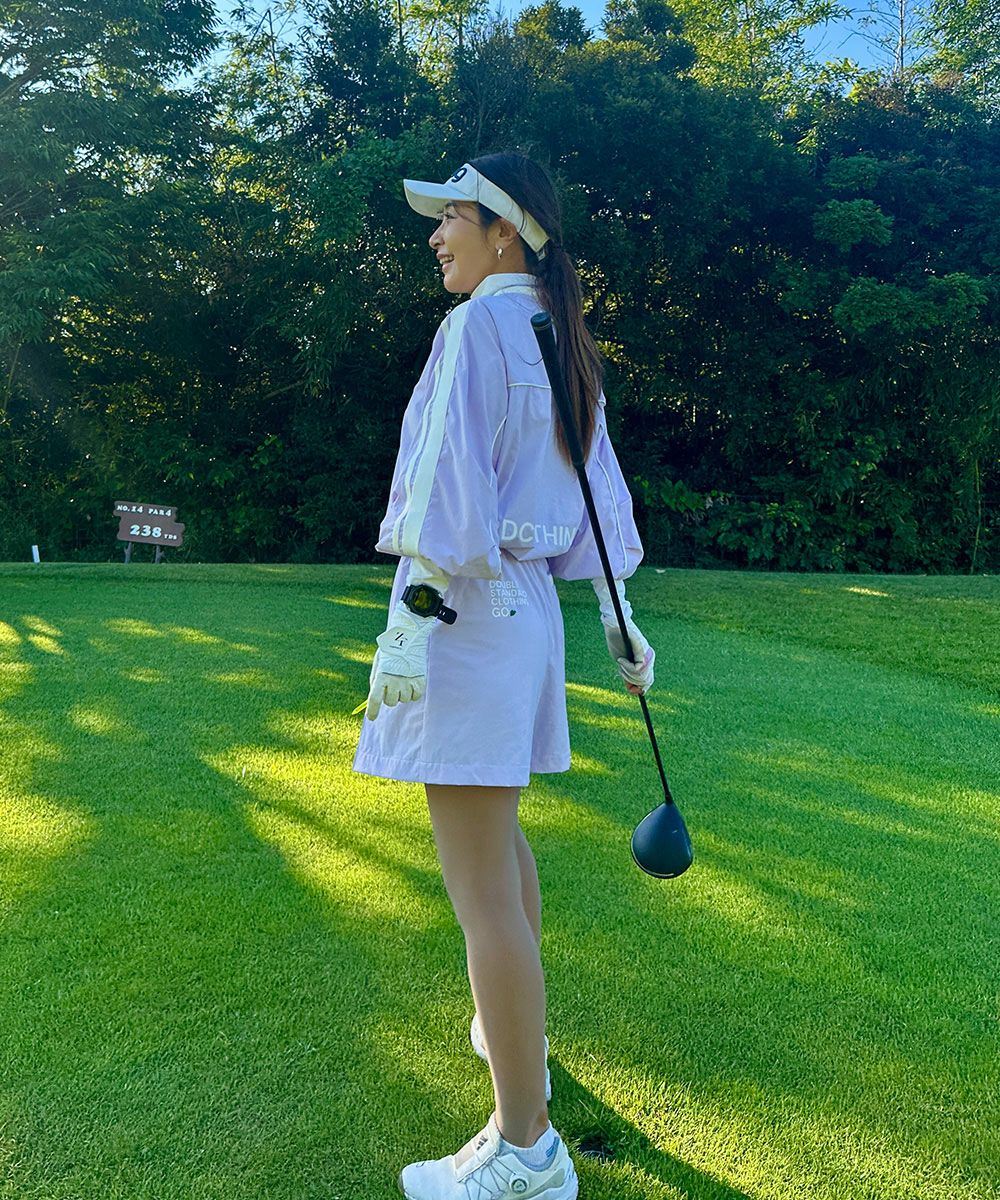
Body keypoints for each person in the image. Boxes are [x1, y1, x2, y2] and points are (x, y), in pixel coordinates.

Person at [352, 152, 656, 1200]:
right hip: (524, 620)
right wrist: (619, 619)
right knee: (501, 845)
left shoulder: (478, 326)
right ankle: (508, 1029)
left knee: (480, 884)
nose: (436, 234)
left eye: (453, 216)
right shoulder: (561, 337)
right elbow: (600, 499)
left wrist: (407, 630)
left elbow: (443, 484)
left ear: (505, 231)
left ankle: (527, 1150)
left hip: (467, 612)